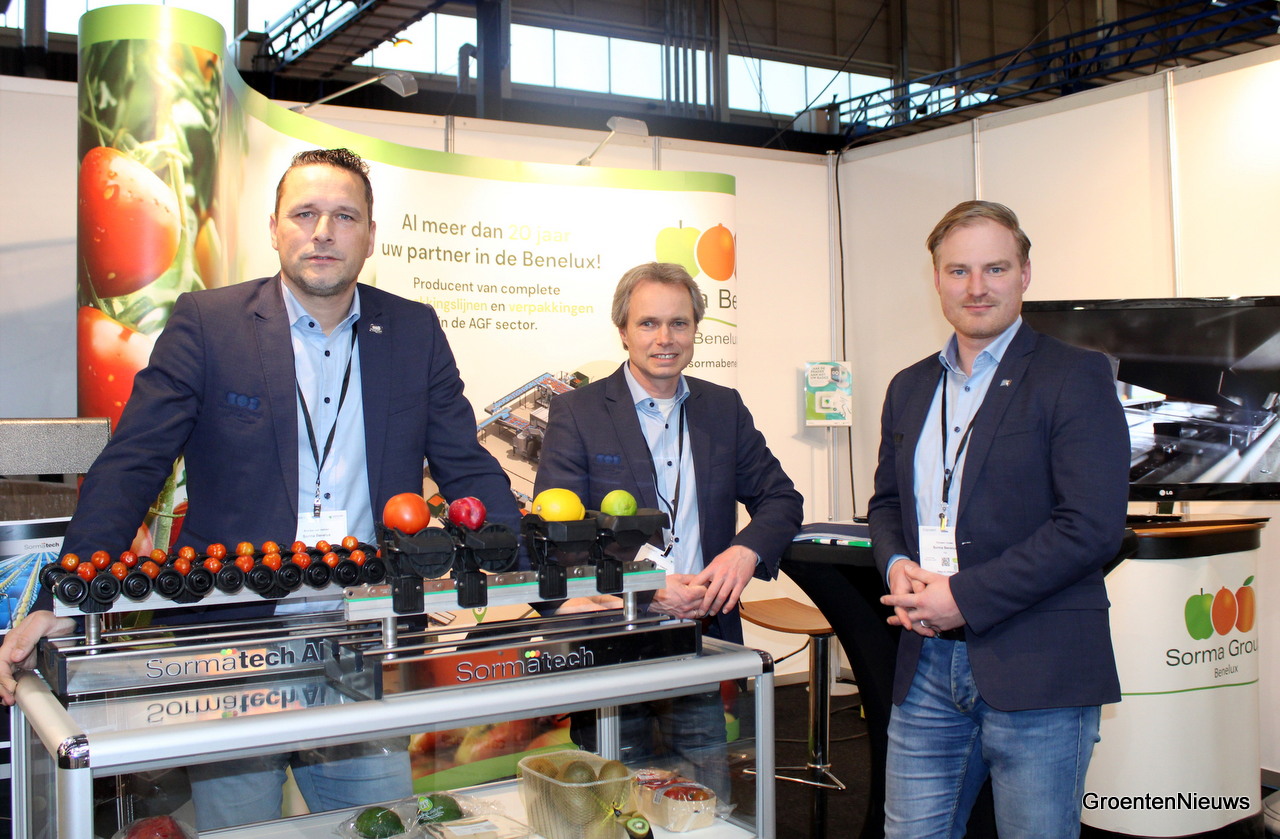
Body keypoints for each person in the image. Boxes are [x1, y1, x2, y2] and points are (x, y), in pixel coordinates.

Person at [0, 148, 521, 830]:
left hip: (362, 638)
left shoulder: (412, 330)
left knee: (378, 822)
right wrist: (64, 595)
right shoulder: (209, 323)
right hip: (234, 642)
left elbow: (467, 468)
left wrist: (547, 575)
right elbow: (133, 462)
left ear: (370, 235)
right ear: (274, 228)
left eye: (344, 216)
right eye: (304, 214)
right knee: (243, 829)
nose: (323, 232)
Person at [866, 200, 1130, 838]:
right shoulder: (909, 387)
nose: (976, 287)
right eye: (959, 271)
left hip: (1039, 665)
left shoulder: (1076, 375)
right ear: (936, 279)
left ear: (1025, 274)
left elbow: (1090, 525)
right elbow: (887, 503)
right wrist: (897, 562)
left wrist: (963, 596)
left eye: (995, 269)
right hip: (926, 665)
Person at [534, 261, 803, 794]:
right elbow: (558, 536)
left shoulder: (722, 408)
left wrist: (743, 553)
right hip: (613, 641)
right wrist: (647, 585)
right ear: (623, 331)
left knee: (704, 801)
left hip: (701, 641)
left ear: (696, 329)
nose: (665, 338)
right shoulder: (578, 412)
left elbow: (781, 499)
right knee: (613, 802)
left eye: (679, 323)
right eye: (649, 323)